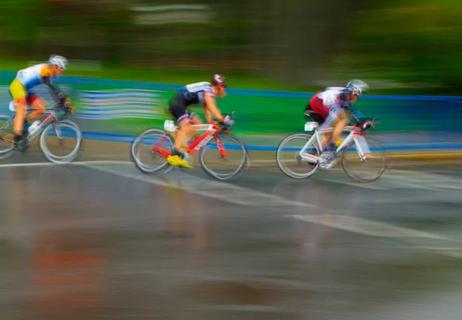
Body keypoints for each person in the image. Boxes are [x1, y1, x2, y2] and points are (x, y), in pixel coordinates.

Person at [167, 74, 234, 168]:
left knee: (197, 123)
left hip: (181, 104)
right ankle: (174, 155)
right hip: (177, 103)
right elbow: (212, 106)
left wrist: (211, 122)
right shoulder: (208, 90)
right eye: (224, 87)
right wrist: (222, 119)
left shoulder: (209, 92)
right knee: (186, 125)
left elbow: (207, 109)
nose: (225, 90)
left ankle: (181, 146)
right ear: (219, 86)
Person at [8, 55, 69, 150]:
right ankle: (17, 137)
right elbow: (51, 86)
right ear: (56, 66)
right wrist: (61, 98)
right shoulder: (46, 69)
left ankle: (22, 124)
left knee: (41, 107)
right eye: (61, 69)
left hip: (25, 89)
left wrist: (63, 101)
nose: (62, 73)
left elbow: (54, 88)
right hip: (17, 85)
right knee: (22, 104)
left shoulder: (51, 74)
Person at [306, 79, 369, 168]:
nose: (358, 97)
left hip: (320, 103)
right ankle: (332, 146)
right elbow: (348, 111)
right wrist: (361, 121)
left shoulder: (346, 94)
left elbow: (351, 111)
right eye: (358, 95)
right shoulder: (345, 95)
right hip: (318, 103)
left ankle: (315, 154)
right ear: (355, 91)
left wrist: (363, 119)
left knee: (330, 131)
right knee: (342, 120)